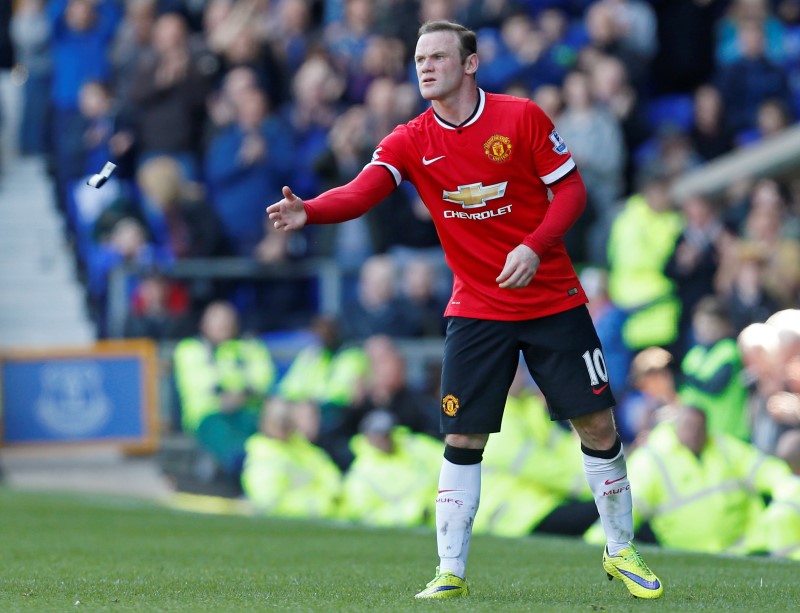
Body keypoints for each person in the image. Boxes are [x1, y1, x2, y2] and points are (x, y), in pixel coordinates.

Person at [268, 19, 663, 600]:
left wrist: (533, 247)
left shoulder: (521, 118)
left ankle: (620, 549)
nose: (424, 66)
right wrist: (313, 211)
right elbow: (362, 189)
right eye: (419, 58)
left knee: (598, 423)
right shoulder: (411, 138)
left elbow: (571, 190)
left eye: (437, 56)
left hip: (552, 297)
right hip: (478, 307)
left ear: (469, 63)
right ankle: (449, 570)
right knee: (464, 434)